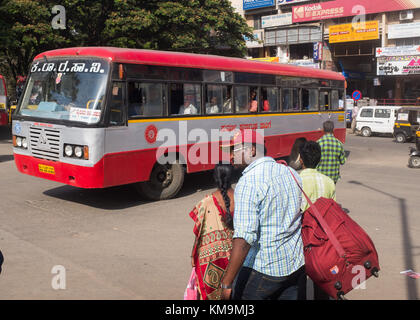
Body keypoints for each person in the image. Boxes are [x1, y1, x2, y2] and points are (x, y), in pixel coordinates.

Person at [220, 129, 306, 300]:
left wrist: (227, 283)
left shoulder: (248, 182)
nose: (230, 156)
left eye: (234, 150)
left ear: (251, 150)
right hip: (295, 265)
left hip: (266, 269)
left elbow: (244, 239)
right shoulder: (289, 172)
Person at [189, 163, 235, 300]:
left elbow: (199, 234)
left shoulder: (206, 202)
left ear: (215, 178)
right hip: (236, 257)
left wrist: (193, 255)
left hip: (213, 261)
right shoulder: (241, 197)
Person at [298, 140, 336, 300]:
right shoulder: (329, 182)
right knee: (321, 276)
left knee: (300, 278)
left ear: (301, 159)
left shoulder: (297, 180)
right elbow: (332, 209)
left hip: (303, 237)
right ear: (319, 159)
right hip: (324, 236)